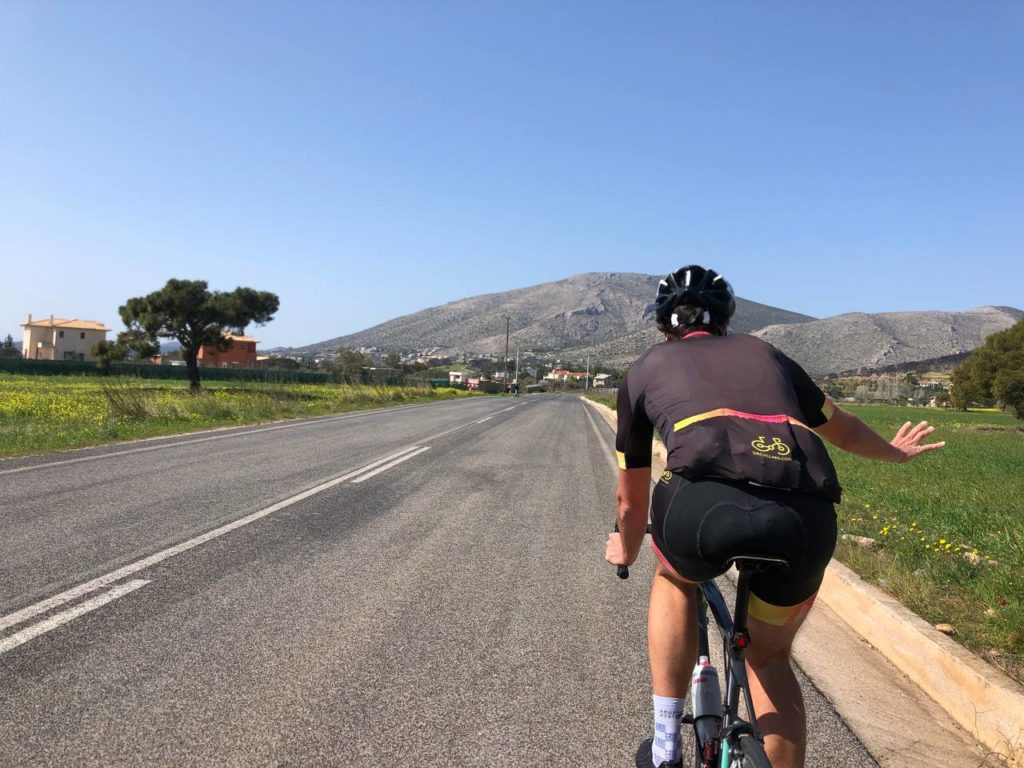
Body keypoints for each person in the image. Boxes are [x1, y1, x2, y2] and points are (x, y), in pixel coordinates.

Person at [604, 265, 945, 768]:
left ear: (663, 326)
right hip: (804, 517)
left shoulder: (644, 369)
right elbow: (843, 429)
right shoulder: (768, 354)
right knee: (769, 656)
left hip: (702, 511)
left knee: (674, 580)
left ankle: (665, 746)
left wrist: (626, 547)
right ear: (726, 320)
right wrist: (894, 453)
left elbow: (630, 502)